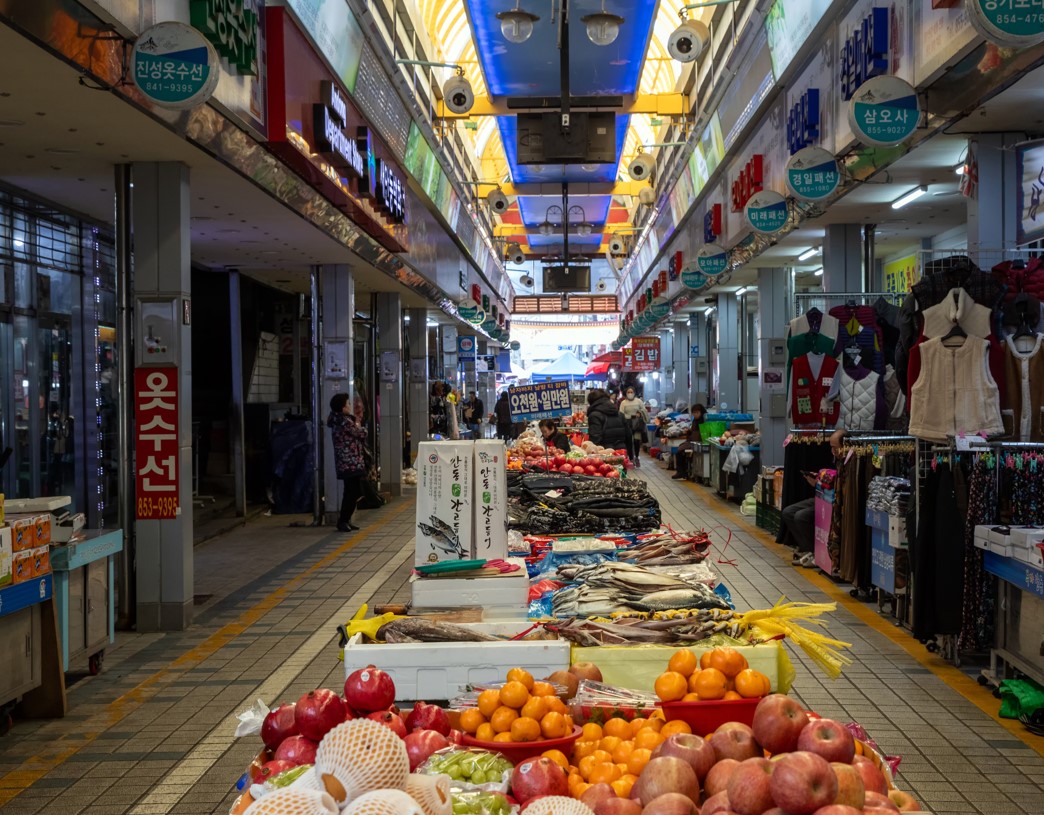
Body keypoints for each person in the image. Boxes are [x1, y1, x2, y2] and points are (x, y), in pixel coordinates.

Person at [782, 429, 844, 566]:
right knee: (788, 512)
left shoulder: (849, 463)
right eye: (831, 447)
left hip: (834, 501)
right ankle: (809, 549)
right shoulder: (835, 460)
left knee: (801, 516)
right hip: (823, 496)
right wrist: (818, 481)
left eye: (835, 448)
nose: (833, 451)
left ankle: (816, 553)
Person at [328, 392, 367, 532]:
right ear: (342, 407)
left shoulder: (339, 420)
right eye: (348, 404)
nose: (350, 406)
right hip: (349, 462)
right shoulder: (344, 421)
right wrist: (360, 425)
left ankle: (345, 520)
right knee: (353, 491)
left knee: (351, 491)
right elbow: (361, 433)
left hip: (348, 461)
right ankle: (343, 521)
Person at [672, 403, 707, 480]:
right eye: (694, 413)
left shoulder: (704, 421)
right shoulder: (695, 421)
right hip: (692, 441)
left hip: (698, 442)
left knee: (679, 451)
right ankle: (682, 471)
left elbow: (701, 433)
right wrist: (689, 431)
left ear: (701, 412)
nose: (695, 414)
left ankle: (681, 472)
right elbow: (693, 431)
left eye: (697, 412)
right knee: (680, 450)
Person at [618, 386, 650, 468]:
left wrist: (640, 413)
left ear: (634, 393)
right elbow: (621, 414)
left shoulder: (639, 401)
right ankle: (631, 458)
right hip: (627, 424)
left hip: (637, 424)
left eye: (631, 392)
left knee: (636, 441)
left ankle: (637, 457)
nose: (630, 394)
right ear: (626, 393)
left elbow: (644, 410)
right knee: (629, 441)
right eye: (628, 392)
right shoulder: (623, 403)